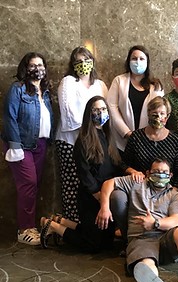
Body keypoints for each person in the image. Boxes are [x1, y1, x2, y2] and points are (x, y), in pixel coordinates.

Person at [99, 158, 178, 282]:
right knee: (146, 261)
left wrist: (155, 223)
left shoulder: (174, 194)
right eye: (156, 171)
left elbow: (176, 220)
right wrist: (104, 208)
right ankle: (151, 278)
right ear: (148, 173)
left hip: (166, 238)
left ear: (170, 175)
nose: (160, 174)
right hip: (141, 238)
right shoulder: (136, 182)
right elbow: (108, 183)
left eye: (164, 172)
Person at [40, 96, 123, 252]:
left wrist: (130, 171)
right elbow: (84, 174)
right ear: (89, 114)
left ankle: (61, 220)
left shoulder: (108, 137)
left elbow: (116, 164)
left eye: (104, 109)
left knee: (105, 243)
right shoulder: (83, 140)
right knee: (92, 245)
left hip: (106, 195)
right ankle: (53, 226)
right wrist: (100, 197)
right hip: (91, 197)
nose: (101, 112)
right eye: (96, 110)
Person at [2, 52, 53, 246]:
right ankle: (24, 229)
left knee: (34, 185)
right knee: (28, 184)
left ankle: (31, 226)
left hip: (40, 143)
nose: (37, 69)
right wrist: (15, 146)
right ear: (25, 68)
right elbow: (9, 117)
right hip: (21, 145)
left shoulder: (45, 91)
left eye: (41, 65)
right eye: (33, 65)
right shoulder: (18, 89)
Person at [55, 46, 108, 222]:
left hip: (95, 142)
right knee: (72, 183)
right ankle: (69, 224)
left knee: (91, 183)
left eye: (86, 60)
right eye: (78, 61)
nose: (83, 64)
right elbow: (67, 113)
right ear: (72, 64)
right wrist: (89, 128)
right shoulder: (68, 82)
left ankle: (89, 224)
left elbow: (105, 111)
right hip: (70, 141)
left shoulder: (99, 85)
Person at [107, 45, 164, 152]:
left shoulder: (156, 86)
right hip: (122, 140)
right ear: (128, 61)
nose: (138, 61)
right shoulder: (119, 81)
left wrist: (148, 135)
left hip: (149, 141)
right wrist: (127, 133)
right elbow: (112, 108)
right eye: (134, 58)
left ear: (147, 62)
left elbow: (160, 113)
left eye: (142, 59)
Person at [123, 96, 178, 191]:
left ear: (167, 116)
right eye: (154, 114)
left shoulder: (175, 141)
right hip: (140, 188)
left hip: (167, 189)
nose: (158, 117)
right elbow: (124, 164)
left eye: (162, 114)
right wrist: (133, 172)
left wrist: (173, 192)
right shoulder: (136, 137)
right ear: (148, 114)